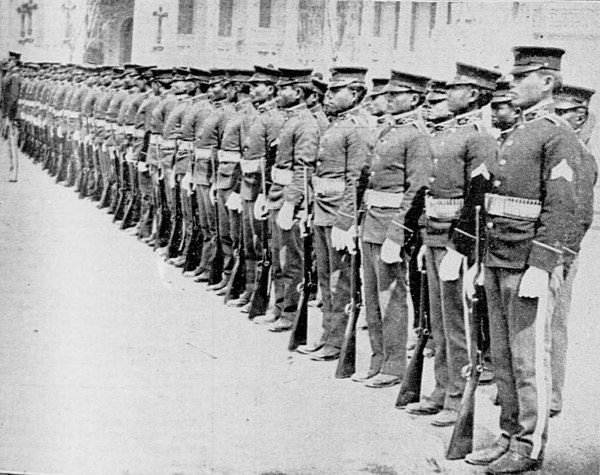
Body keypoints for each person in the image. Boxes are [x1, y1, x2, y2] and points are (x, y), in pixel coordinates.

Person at [465, 46, 581, 474]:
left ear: (547, 81)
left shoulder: (556, 135)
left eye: (520, 78)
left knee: (530, 358)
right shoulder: (516, 133)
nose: (511, 85)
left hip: (526, 261)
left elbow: (564, 208)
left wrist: (542, 263)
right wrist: (481, 258)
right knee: (504, 359)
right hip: (498, 257)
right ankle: (509, 435)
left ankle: (529, 446)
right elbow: (491, 203)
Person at [406, 63, 500, 425]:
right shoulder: (450, 133)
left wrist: (461, 248)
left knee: (458, 323)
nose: (448, 92)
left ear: (474, 94)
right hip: (434, 231)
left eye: (455, 87)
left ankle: (456, 399)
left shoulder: (478, 137)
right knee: (440, 320)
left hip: (454, 241)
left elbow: (478, 197)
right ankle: (441, 390)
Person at [352, 70, 432, 387]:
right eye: (387, 94)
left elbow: (417, 188)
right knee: (371, 296)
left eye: (395, 94)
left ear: (413, 98)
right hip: (371, 220)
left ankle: (394, 365)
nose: (388, 99)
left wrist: (397, 233)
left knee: (391, 298)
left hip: (390, 226)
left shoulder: (416, 136)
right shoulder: (387, 130)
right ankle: (377, 359)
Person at [300, 66, 370, 360]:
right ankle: (327, 334)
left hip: (339, 211)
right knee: (325, 276)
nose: (326, 96)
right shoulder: (335, 124)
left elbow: (356, 178)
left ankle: (338, 341)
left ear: (354, 93)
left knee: (339, 281)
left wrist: (346, 222)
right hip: (322, 208)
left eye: (334, 91)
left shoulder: (357, 127)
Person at [549, 84, 597, 418]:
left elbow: (580, 213)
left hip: (562, 251)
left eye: (563, 112)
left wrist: (564, 256)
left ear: (580, 115)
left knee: (553, 324)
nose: (556, 118)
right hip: (549, 246)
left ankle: (552, 393)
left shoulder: (581, 153)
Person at [265, 67, 319, 333]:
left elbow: (304, 168)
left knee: (291, 260)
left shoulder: (306, 123)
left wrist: (291, 203)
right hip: (277, 193)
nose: (278, 92)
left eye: (284, 88)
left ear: (298, 92)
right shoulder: (290, 119)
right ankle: (278, 307)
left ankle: (290, 312)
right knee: (277, 256)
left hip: (291, 200)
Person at [242, 65, 284, 321]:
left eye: (258, 86)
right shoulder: (256, 116)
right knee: (249, 244)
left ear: (270, 89)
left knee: (267, 250)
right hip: (248, 186)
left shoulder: (275, 119)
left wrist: (263, 194)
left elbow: (272, 161)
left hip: (262, 190)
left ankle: (271, 304)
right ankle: (250, 292)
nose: (252, 90)